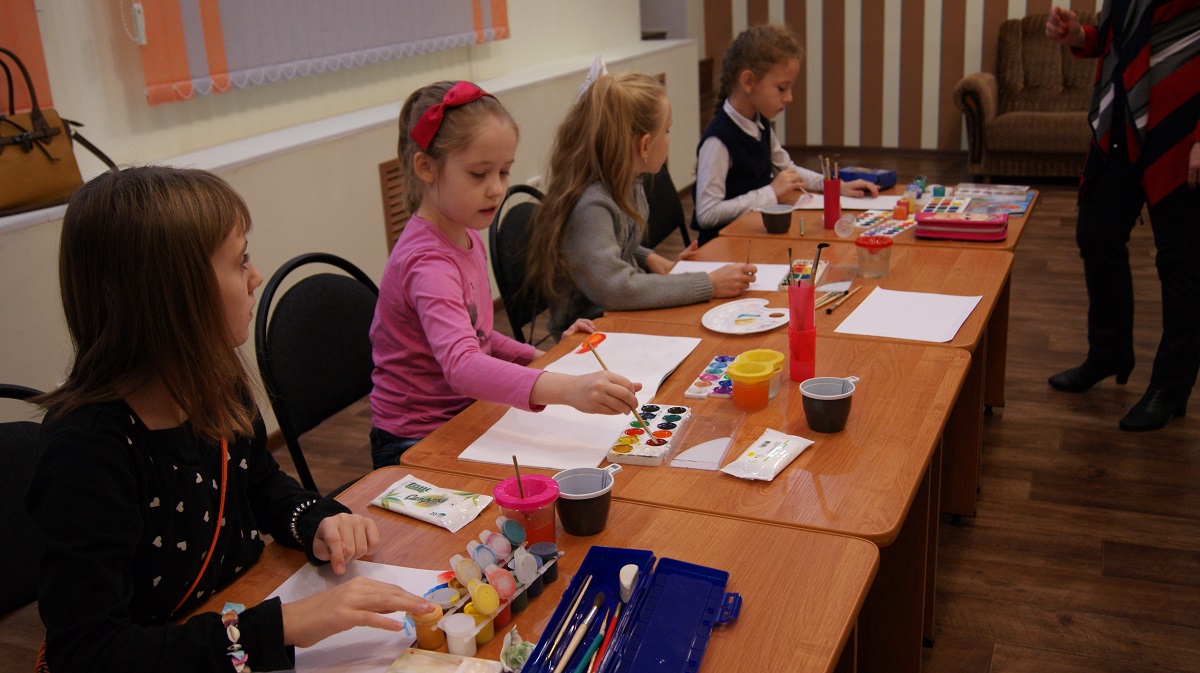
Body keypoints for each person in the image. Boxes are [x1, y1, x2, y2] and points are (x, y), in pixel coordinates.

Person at [27, 166, 435, 673]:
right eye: (240, 261)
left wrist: (314, 521)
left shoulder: (215, 386)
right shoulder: (85, 452)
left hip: (232, 620)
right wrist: (281, 626)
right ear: (173, 297)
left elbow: (259, 485)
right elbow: (90, 653)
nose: (255, 275)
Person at [370, 81, 642, 468]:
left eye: (503, 172)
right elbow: (463, 366)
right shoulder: (427, 262)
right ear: (426, 167)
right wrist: (568, 388)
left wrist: (545, 358)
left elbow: (477, 334)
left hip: (464, 416)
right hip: (415, 440)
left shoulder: (465, 235)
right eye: (479, 174)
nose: (496, 189)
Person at [1044, 4, 1200, 431]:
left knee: (1181, 263)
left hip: (1183, 127)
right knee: (1096, 233)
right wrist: (1081, 36)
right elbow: (1127, 37)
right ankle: (1109, 352)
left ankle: (1171, 385)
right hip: (1122, 120)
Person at [525, 71, 757, 336]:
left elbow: (612, 244)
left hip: (620, 316)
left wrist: (650, 258)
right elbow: (615, 288)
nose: (668, 139)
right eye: (666, 131)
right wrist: (709, 284)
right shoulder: (592, 205)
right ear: (645, 145)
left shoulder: (628, 182)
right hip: (592, 333)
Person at [693, 24, 880, 245]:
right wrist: (771, 192)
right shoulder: (718, 140)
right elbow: (707, 214)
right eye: (782, 88)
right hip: (724, 248)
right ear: (748, 82)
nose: (789, 97)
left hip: (754, 237)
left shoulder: (758, 122)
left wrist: (835, 186)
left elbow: (788, 171)